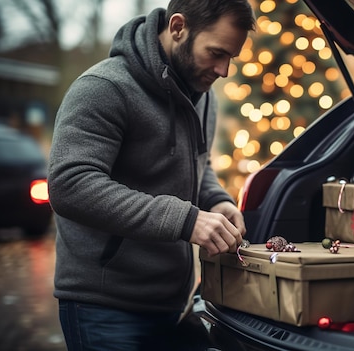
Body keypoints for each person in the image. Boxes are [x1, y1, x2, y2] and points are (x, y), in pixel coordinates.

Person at [47, 0, 255, 349]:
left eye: (230, 57)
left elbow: (197, 165)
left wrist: (216, 200)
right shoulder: (104, 87)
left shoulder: (203, 95)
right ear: (178, 27)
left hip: (173, 304)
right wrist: (185, 219)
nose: (224, 70)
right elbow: (70, 185)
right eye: (216, 53)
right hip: (104, 308)